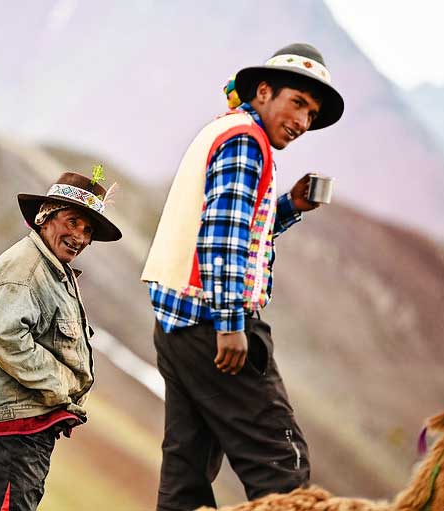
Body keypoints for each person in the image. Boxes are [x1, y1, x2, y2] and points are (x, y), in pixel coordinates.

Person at [141, 43, 345, 510]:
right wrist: (231, 324)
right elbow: (224, 236)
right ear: (264, 91)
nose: (302, 122)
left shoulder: (225, 130)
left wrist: (291, 205)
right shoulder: (245, 142)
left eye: (311, 114)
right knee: (281, 466)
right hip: (214, 326)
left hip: (177, 324)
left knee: (185, 474)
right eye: (297, 102)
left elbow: (232, 224)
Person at [0, 169, 122, 511]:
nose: (79, 236)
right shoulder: (28, 269)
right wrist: (60, 386)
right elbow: (3, 336)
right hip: (18, 425)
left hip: (27, 424)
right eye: (72, 222)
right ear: (45, 217)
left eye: (87, 230)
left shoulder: (53, 268)